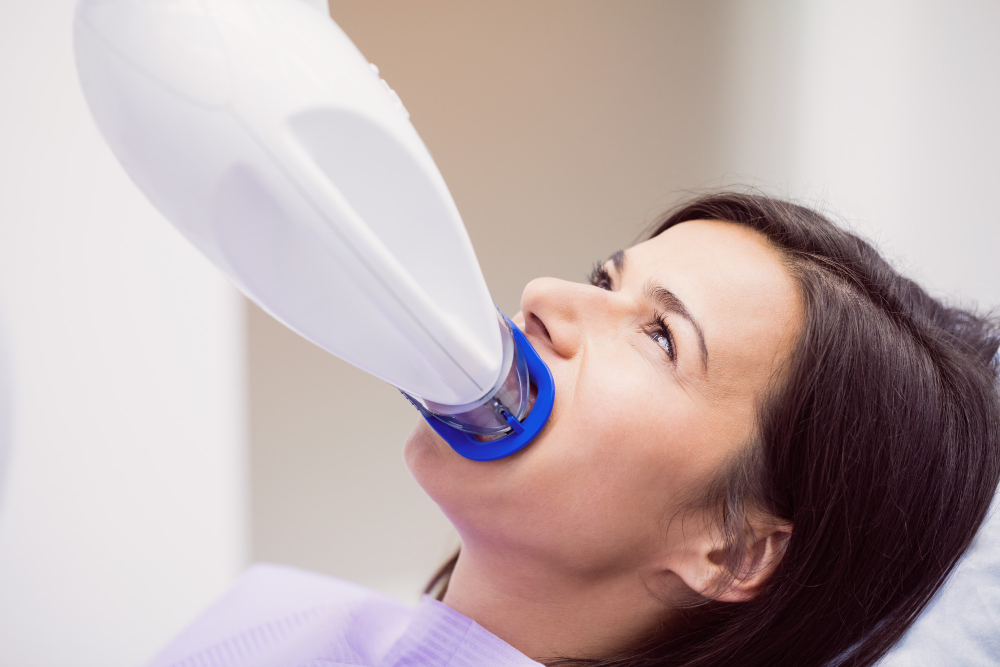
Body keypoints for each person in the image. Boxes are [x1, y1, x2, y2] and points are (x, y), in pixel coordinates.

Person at [149, 192, 1000, 667]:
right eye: (606, 276)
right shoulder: (270, 611)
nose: (547, 297)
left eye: (659, 335)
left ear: (734, 549)